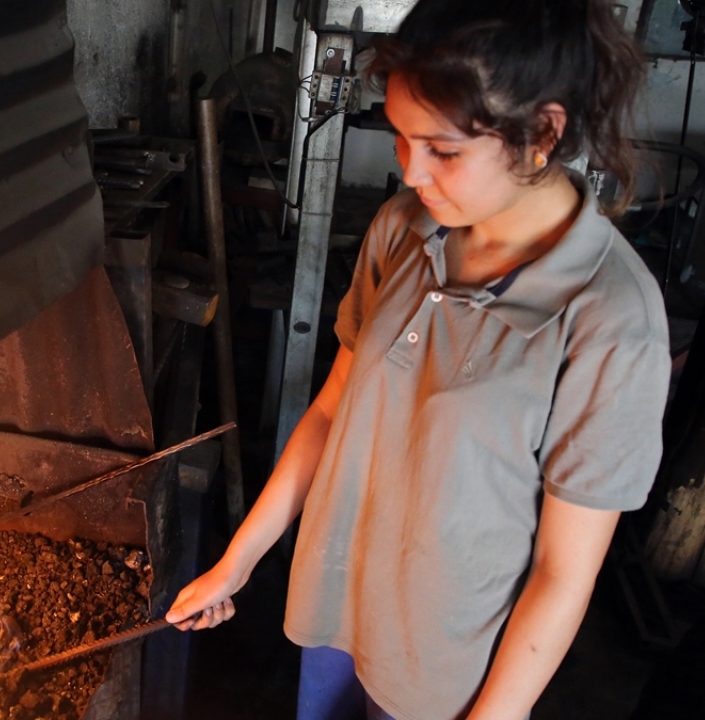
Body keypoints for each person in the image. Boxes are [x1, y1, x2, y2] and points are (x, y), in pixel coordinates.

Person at [165, 2, 671, 719]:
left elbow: (564, 571)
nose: (411, 172)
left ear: (543, 134)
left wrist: (496, 714)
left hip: (444, 663)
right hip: (338, 605)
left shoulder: (611, 318)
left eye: (444, 150)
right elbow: (332, 411)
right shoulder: (405, 229)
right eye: (402, 140)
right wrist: (235, 564)